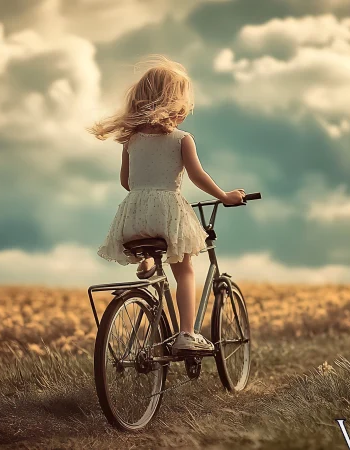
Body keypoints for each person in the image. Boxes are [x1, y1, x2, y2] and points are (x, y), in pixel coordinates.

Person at [89, 55, 244, 354]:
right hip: (167, 212)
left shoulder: (131, 141)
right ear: (175, 103)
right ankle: (187, 334)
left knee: (149, 241)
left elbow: (126, 182)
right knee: (184, 270)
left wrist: (146, 191)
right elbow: (198, 177)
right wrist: (225, 196)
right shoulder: (182, 139)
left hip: (133, 216)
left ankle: (147, 261)